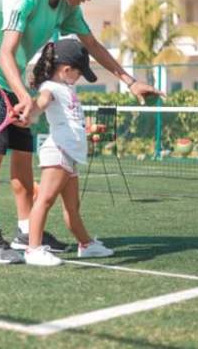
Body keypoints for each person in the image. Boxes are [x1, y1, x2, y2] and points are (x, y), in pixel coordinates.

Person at [0, 0, 164, 264]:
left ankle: (26, 231)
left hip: (13, 79)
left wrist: (130, 81)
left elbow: (91, 45)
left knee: (24, 151)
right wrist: (24, 94)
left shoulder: (66, 8)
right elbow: (4, 53)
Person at [25, 39, 114, 267]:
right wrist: (31, 112)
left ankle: (86, 245)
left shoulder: (68, 88)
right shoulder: (50, 88)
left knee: (72, 207)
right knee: (44, 200)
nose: (80, 76)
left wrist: (89, 129)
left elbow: (71, 122)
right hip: (59, 152)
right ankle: (33, 249)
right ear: (66, 69)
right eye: (79, 72)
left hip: (70, 155)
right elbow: (42, 102)